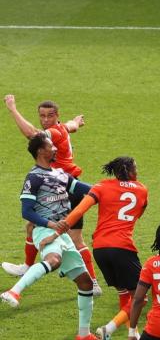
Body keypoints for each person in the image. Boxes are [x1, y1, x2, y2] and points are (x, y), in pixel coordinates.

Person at [42, 156, 149, 340]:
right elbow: (138, 213)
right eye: (136, 169)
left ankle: (133, 334)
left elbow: (78, 211)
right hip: (123, 247)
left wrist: (55, 234)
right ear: (130, 172)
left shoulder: (101, 186)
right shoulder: (142, 189)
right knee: (140, 298)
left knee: (124, 294)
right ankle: (109, 328)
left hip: (100, 248)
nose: (137, 172)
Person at [0, 134, 98, 340]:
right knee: (54, 260)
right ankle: (14, 292)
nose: (55, 148)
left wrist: (110, 189)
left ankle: (83, 334)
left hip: (62, 233)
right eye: (51, 146)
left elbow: (85, 189)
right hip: (45, 230)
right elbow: (27, 211)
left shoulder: (61, 174)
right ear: (40, 151)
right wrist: (50, 224)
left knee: (85, 282)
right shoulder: (33, 177)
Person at [3, 94, 102, 295]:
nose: (45, 120)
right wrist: (77, 122)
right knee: (32, 225)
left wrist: (12, 109)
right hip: (61, 183)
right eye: (42, 116)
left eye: (50, 116)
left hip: (65, 187)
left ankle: (92, 282)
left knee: (75, 238)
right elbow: (72, 125)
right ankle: (27, 266)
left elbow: (33, 135)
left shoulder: (53, 133)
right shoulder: (63, 128)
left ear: (57, 116)